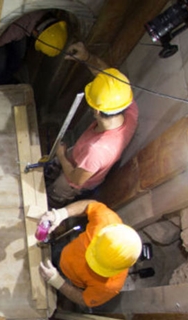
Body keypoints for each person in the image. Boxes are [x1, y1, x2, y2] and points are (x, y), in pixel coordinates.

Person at [46, 42, 139, 209]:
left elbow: (75, 179)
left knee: (55, 193)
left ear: (96, 110)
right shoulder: (129, 110)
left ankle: (49, 201)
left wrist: (61, 155)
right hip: (78, 155)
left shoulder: (97, 150)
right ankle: (48, 174)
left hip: (72, 180)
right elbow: (109, 81)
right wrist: (87, 57)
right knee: (53, 166)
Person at [37, 199, 142, 309]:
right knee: (55, 252)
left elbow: (84, 299)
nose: (89, 262)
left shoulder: (110, 286)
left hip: (68, 279)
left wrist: (57, 282)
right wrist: (60, 214)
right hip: (65, 250)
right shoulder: (106, 221)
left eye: (98, 266)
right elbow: (90, 205)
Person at [0, 12, 68, 85]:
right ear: (35, 32)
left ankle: (7, 76)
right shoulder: (16, 29)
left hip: (21, 30)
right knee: (1, 63)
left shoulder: (42, 12)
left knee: (19, 56)